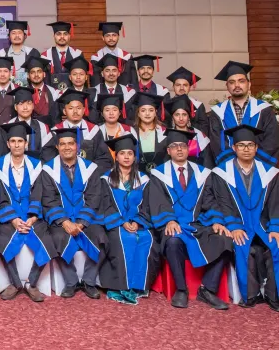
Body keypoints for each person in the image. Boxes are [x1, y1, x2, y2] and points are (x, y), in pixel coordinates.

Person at [146, 128, 232, 310]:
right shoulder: (158, 175)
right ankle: (181, 289)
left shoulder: (203, 174)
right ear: (168, 150)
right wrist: (169, 220)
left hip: (198, 225)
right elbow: (158, 202)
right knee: (173, 241)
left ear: (188, 149)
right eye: (175, 146)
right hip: (174, 225)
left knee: (225, 238)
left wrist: (216, 221)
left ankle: (208, 289)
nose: (179, 149)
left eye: (183, 146)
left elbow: (210, 201)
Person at [211, 125, 279, 311]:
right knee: (242, 245)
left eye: (250, 145)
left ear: (256, 148)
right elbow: (223, 202)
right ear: (234, 148)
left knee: (275, 244)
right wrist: (234, 226)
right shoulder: (222, 173)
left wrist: (275, 228)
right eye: (241, 145)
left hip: (262, 224)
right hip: (238, 223)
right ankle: (250, 294)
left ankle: (274, 295)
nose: (246, 149)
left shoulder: (270, 173)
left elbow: (275, 203)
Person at [39, 128, 107, 299]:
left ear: (77, 146)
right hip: (62, 220)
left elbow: (94, 197)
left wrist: (82, 222)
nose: (67, 147)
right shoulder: (48, 170)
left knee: (102, 237)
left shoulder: (90, 168)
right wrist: (64, 221)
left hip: (86, 219)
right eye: (62, 144)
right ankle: (71, 282)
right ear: (57, 147)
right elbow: (49, 199)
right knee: (57, 237)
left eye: (70, 143)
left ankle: (89, 281)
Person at [0, 121, 54, 303]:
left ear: (26, 144)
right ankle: (15, 283)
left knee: (48, 240)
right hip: (9, 217)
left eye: (20, 141)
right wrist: (13, 219)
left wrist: (32, 218)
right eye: (13, 141)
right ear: (8, 144)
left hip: (32, 215)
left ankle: (32, 283)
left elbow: (40, 193)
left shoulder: (37, 166)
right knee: (1, 239)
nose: (17, 145)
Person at [99, 134, 160, 305]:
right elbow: (104, 205)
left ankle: (137, 286)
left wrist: (138, 222)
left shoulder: (144, 180)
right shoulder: (106, 179)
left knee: (146, 238)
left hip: (138, 223)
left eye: (130, 153)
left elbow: (148, 205)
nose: (126, 157)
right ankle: (121, 286)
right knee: (126, 238)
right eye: (122, 153)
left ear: (134, 157)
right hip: (115, 224)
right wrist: (122, 222)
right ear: (116, 157)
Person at [209, 60, 279, 162]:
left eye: (241, 81)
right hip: (229, 167)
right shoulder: (218, 112)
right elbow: (217, 142)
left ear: (249, 84)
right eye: (232, 82)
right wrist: (234, 165)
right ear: (227, 86)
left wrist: (255, 165)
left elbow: (272, 139)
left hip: (260, 166)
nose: (237, 85)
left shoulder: (264, 110)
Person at [43, 89, 113, 173]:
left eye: (78, 108)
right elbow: (48, 156)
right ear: (64, 111)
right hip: (63, 175)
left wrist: (90, 172)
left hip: (90, 175)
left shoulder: (94, 130)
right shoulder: (56, 131)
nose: (75, 111)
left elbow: (103, 158)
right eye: (71, 108)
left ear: (84, 110)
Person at [164, 94, 214, 168]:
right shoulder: (166, 136)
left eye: (184, 114)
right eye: (177, 115)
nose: (181, 118)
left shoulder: (199, 136)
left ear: (188, 117)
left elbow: (207, 162)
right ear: (172, 118)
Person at [89, 54, 136, 124]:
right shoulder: (93, 92)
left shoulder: (129, 92)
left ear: (118, 73)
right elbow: (92, 117)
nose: (111, 73)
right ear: (102, 74)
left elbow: (131, 117)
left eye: (114, 70)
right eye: (107, 70)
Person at [6, 87, 52, 158]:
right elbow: (4, 153)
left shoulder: (43, 127)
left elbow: (47, 153)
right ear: (15, 107)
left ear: (33, 106)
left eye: (29, 103)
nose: (25, 108)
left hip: (37, 164)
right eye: (21, 104)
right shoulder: (8, 126)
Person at [91, 22, 137, 88]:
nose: (111, 38)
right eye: (107, 36)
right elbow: (95, 82)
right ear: (103, 38)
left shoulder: (127, 57)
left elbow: (134, 81)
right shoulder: (96, 58)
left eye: (114, 35)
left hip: (125, 93)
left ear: (118, 37)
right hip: (103, 93)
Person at [165, 66, 209, 135]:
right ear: (173, 87)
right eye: (178, 85)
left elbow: (204, 128)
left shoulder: (198, 105)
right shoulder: (166, 105)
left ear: (190, 87)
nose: (181, 88)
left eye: (185, 85)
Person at [132, 92, 167, 173]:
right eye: (143, 110)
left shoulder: (164, 132)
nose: (147, 113)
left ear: (155, 113)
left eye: (151, 110)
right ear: (138, 113)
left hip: (161, 174)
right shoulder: (131, 132)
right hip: (137, 174)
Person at [41, 21, 82, 91]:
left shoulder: (77, 54)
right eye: (58, 34)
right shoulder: (45, 56)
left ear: (69, 36)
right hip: (52, 94)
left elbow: (82, 78)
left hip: (73, 94)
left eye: (65, 34)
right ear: (54, 36)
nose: (62, 37)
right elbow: (45, 80)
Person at [0, 20, 39, 86]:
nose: (17, 36)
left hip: (28, 90)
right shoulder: (1, 54)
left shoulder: (33, 53)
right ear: (9, 37)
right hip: (7, 90)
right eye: (13, 33)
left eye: (19, 33)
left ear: (25, 36)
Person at [25, 55, 62, 128]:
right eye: (32, 72)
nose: (36, 75)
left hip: (50, 130)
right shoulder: (24, 92)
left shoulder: (54, 92)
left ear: (44, 74)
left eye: (39, 72)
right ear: (28, 76)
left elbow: (57, 117)